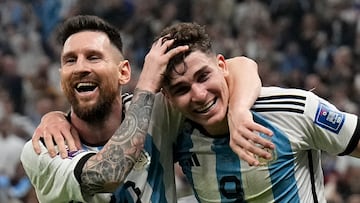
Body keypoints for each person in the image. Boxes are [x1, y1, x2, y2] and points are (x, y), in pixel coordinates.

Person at [21, 15, 273, 203]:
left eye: (94, 57)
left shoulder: (158, 113)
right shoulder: (45, 148)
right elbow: (105, 175)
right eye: (70, 60)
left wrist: (239, 110)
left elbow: (239, 66)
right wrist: (148, 83)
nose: (80, 67)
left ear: (123, 72)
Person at [153, 22, 360, 202]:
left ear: (222, 65)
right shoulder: (174, 133)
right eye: (182, 89)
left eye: (203, 76)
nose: (198, 94)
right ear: (168, 98)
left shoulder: (292, 110)